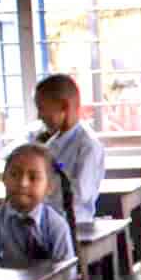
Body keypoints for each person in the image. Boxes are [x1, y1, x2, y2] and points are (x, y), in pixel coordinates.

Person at [0, 143, 76, 269]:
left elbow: (67, 276)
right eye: (14, 174)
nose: (23, 183)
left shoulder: (55, 225)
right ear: (4, 178)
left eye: (33, 177)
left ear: (49, 187)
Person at [34, 74, 104, 224]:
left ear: (64, 107)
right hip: (47, 220)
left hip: (75, 225)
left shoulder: (88, 145)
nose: (39, 116)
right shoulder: (50, 145)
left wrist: (42, 191)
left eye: (42, 108)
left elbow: (80, 194)